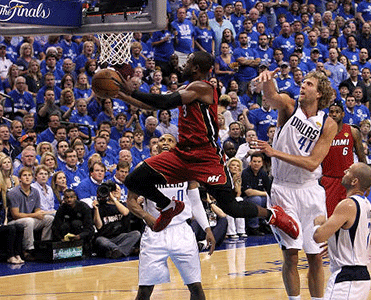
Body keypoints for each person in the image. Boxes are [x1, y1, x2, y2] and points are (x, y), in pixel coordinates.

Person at [115, 51, 299, 239]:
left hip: (206, 156)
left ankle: (273, 215)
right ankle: (170, 206)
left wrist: (132, 91)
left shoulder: (204, 87)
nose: (183, 66)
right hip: (182, 154)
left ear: (195, 68)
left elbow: (166, 101)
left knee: (231, 207)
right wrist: (121, 95)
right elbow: (154, 105)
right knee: (133, 181)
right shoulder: (188, 87)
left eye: (188, 63)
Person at [255, 69, 338, 299]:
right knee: (291, 253)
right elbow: (272, 98)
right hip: (283, 190)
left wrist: (274, 153)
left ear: (319, 93)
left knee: (315, 255)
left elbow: (312, 163)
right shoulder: (290, 107)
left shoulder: (328, 124)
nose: (303, 86)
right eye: (303, 82)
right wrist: (267, 79)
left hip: (310, 191)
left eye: (309, 84)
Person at [127, 133, 215, 300]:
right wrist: (147, 216)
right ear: (156, 145)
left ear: (177, 146)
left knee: (195, 286)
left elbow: (196, 202)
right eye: (162, 140)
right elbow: (130, 201)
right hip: (155, 232)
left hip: (182, 231)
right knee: (144, 290)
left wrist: (207, 228)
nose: (165, 143)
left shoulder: (186, 169)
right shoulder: (143, 168)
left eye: (170, 140)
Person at [313, 162, 371, 300]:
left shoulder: (347, 204)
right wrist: (338, 244)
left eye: (349, 170)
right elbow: (367, 239)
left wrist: (318, 223)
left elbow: (318, 237)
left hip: (347, 277)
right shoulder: (367, 205)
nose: (345, 170)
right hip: (361, 276)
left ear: (354, 181)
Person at [321, 101, 366, 217]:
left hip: (348, 180)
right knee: (331, 216)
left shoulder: (352, 131)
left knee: (351, 215)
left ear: (343, 114)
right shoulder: (322, 133)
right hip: (329, 180)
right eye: (331, 112)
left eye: (337, 112)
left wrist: (365, 179)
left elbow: (361, 156)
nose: (334, 114)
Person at [7, 167, 54, 261]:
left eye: (29, 175)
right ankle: (29, 250)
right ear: (20, 178)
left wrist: (39, 214)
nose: (27, 178)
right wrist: (34, 215)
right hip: (14, 222)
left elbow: (37, 210)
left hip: (30, 219)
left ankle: (44, 245)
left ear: (33, 178)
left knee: (49, 219)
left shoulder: (35, 192)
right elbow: (15, 215)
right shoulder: (13, 193)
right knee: (29, 221)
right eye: (24, 175)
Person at [92, 182, 141, 259]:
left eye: (117, 189)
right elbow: (99, 226)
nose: (115, 192)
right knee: (100, 240)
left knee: (136, 234)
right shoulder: (101, 206)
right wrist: (96, 209)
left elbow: (125, 212)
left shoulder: (122, 205)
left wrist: (114, 200)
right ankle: (125, 250)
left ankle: (116, 251)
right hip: (106, 238)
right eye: (113, 190)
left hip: (121, 237)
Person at [52, 189, 94, 256]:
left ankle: (83, 249)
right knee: (64, 225)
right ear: (64, 199)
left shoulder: (84, 207)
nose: (69, 200)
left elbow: (90, 229)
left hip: (81, 234)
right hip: (67, 237)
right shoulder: (62, 208)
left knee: (76, 223)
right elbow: (55, 226)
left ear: (75, 197)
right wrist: (60, 238)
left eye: (71, 197)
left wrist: (79, 236)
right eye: (67, 198)